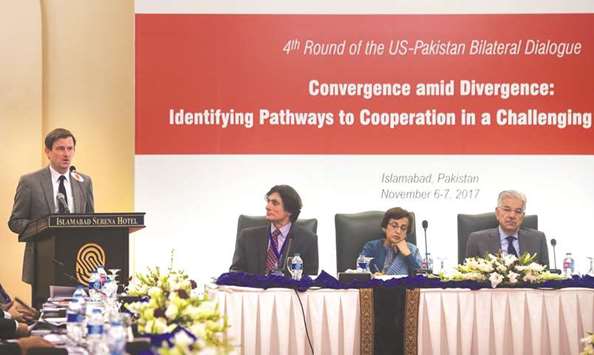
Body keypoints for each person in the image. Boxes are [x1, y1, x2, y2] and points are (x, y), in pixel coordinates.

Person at [8, 128, 95, 284]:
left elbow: (90, 220)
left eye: (70, 149)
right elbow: (15, 222)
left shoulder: (84, 182)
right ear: (48, 152)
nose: (66, 154)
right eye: (60, 149)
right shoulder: (30, 182)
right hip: (42, 262)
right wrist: (44, 226)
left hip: (78, 262)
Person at [230, 185, 319, 276]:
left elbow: (310, 278)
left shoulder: (308, 240)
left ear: (290, 210)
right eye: (268, 201)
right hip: (254, 289)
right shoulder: (247, 237)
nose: (267, 206)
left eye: (275, 203)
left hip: (288, 289)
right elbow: (235, 272)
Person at [465, 190, 549, 266]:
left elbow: (545, 276)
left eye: (518, 211)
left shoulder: (537, 239)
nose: (512, 215)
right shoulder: (477, 240)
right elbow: (469, 277)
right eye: (507, 210)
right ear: (497, 213)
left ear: (522, 217)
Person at [359, 207, 422, 276]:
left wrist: (408, 255)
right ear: (385, 227)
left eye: (403, 228)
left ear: (406, 233)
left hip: (404, 286)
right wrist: (373, 276)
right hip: (377, 286)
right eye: (394, 226)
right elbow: (361, 272)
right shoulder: (372, 247)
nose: (398, 231)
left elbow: (421, 278)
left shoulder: (413, 250)